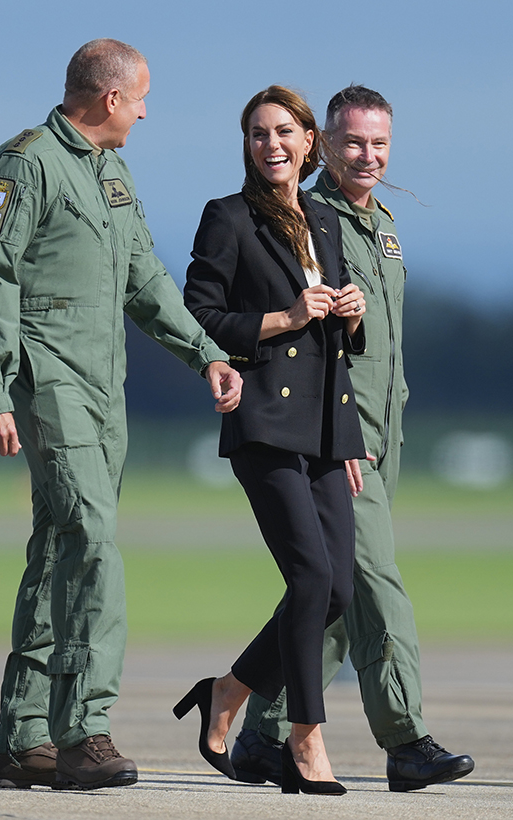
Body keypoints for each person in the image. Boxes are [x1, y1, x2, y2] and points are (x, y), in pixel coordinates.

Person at [0, 39, 242, 792]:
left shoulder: (111, 169)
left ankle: (22, 739)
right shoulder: (24, 165)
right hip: (48, 380)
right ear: (110, 98)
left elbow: (144, 276)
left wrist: (205, 351)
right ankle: (84, 729)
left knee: (57, 548)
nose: (147, 111)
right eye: (141, 97)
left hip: (103, 388)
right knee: (92, 539)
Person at [230, 85, 475, 792]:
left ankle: (263, 733)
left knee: (332, 595)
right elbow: (304, 342)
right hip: (338, 435)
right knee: (375, 583)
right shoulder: (307, 221)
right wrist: (340, 439)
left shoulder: (383, 226)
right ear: (321, 144)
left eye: (379, 144)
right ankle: (406, 740)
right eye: (352, 142)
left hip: (385, 433)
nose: (367, 156)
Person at [178, 86, 367, 795]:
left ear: (308, 140)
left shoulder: (325, 219)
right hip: (262, 419)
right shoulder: (226, 217)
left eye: (284, 131)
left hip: (324, 425)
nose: (271, 144)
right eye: (258, 133)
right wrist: (284, 318)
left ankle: (228, 690)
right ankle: (305, 739)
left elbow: (342, 340)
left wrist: (352, 314)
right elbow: (202, 314)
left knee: (339, 591)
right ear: (247, 145)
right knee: (311, 579)